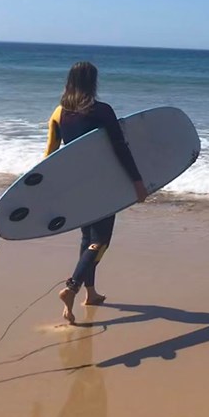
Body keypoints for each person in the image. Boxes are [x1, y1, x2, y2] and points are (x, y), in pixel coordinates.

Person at [46, 61, 148, 325]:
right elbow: (120, 148)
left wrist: (47, 188)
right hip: (102, 186)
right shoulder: (102, 111)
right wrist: (137, 181)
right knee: (100, 240)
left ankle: (90, 294)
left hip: (75, 186)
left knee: (87, 239)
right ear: (93, 82)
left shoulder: (58, 113)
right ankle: (72, 287)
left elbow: (49, 156)